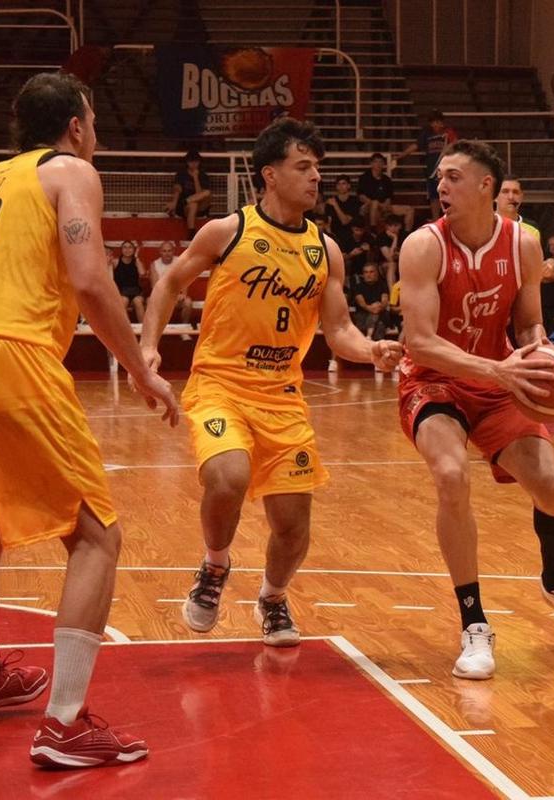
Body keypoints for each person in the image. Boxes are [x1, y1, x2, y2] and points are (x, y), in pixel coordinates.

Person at [0, 71, 179, 768]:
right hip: (6, 354)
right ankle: (66, 723)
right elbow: (87, 278)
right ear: (76, 126)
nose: (96, 135)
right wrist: (141, 368)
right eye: (96, 121)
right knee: (97, 535)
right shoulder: (71, 173)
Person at [140, 117, 402, 646]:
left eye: (317, 169)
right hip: (220, 384)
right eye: (303, 167)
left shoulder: (324, 250)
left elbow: (341, 329)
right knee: (228, 479)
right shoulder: (228, 231)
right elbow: (169, 282)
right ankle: (215, 567)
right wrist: (148, 346)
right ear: (270, 175)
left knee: (292, 525)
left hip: (283, 395)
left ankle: (273, 598)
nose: (315, 178)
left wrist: (370, 351)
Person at [397, 138, 554, 680]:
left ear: (487, 186)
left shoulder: (523, 245)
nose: (441, 186)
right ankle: (474, 623)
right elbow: (418, 342)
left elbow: (528, 322)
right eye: (439, 177)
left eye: (453, 177)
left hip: (499, 383)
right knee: (450, 475)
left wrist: (543, 354)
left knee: (552, 488)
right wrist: (499, 369)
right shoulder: (423, 246)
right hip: (435, 383)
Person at [397, 109, 458, 220]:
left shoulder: (448, 132)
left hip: (445, 170)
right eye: (434, 122)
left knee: (447, 195)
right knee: (434, 197)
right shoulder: (426, 134)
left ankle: (449, 219)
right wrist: (401, 155)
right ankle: (435, 220)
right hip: (431, 170)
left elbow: (456, 144)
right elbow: (415, 146)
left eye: (438, 122)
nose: (436, 125)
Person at [357, 153, 414, 230]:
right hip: (368, 206)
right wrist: (376, 204)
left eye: (381, 162)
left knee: (409, 209)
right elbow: (361, 196)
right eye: (376, 162)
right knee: (375, 203)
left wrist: (385, 205)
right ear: (371, 164)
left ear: (383, 164)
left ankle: (406, 234)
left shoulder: (386, 179)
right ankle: (373, 231)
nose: (378, 164)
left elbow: (389, 197)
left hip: (384, 206)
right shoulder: (364, 178)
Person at [151, 240, 195, 339]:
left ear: (173, 251)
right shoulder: (154, 264)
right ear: (160, 252)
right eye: (164, 251)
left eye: (169, 251)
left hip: (176, 295)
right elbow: (154, 286)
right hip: (161, 296)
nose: (167, 253)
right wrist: (168, 297)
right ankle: (156, 332)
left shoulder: (179, 262)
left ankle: (184, 330)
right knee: (151, 301)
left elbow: (185, 280)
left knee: (188, 302)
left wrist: (183, 294)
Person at [166, 149, 212, 236]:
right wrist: (174, 203)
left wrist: (195, 178)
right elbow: (177, 189)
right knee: (193, 204)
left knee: (207, 193)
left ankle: (186, 201)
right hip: (186, 208)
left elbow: (200, 193)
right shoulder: (181, 174)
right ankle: (191, 231)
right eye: (191, 161)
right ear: (187, 162)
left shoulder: (203, 175)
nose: (194, 164)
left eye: (196, 161)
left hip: (200, 205)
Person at [352, 263, 390, 340]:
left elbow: (384, 301)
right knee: (373, 319)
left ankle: (373, 344)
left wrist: (378, 307)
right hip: (363, 315)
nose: (368, 274)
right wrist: (372, 309)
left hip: (380, 314)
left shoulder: (383, 285)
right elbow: (362, 303)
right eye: (366, 272)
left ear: (377, 273)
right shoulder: (358, 287)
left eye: (371, 272)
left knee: (380, 324)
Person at [112, 239, 146, 322]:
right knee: (123, 301)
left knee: (138, 302)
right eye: (125, 247)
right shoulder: (115, 262)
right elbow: (108, 276)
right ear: (121, 250)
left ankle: (144, 331)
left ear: (134, 250)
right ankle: (126, 330)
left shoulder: (137, 262)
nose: (127, 250)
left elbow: (142, 273)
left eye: (130, 247)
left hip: (136, 292)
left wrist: (137, 257)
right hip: (121, 292)